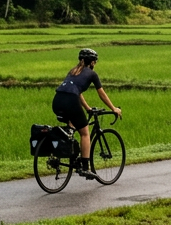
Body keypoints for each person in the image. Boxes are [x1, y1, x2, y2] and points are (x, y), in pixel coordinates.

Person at [52, 48, 121, 177]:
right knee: (85, 133)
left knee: (71, 127)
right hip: (70, 102)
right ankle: (85, 167)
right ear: (93, 62)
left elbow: (77, 93)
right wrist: (113, 108)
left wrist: (88, 108)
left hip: (57, 101)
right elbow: (101, 93)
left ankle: (65, 154)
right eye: (95, 61)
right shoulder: (91, 74)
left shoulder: (73, 71)